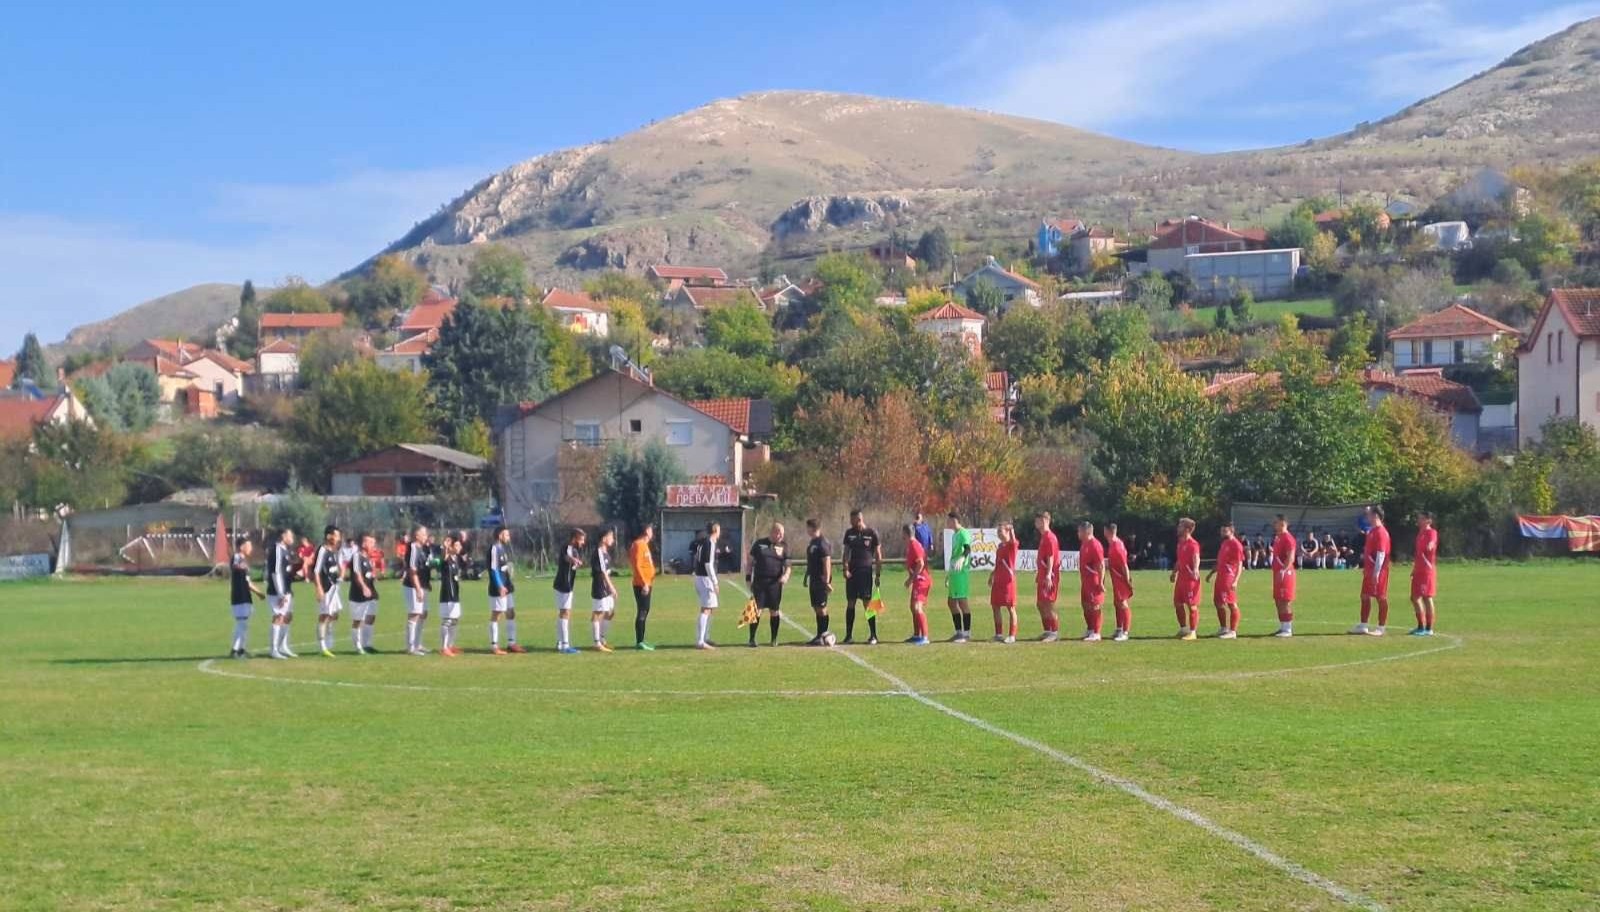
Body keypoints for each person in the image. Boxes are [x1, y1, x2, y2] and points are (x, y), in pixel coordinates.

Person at [840, 511, 883, 645]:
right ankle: (848, 636)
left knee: (868, 603)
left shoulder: (872, 533)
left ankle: (874, 635)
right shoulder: (849, 533)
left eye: (852, 520)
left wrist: (877, 574)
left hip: (866, 573)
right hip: (852, 574)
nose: (850, 522)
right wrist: (845, 569)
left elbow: (878, 555)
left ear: (859, 519)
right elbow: (846, 553)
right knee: (851, 603)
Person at [746, 522, 791, 647]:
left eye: (782, 534)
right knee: (756, 610)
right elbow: (750, 562)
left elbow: (788, 565)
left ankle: (774, 639)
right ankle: (752, 638)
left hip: (775, 584)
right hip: (760, 582)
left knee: (774, 611)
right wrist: (748, 578)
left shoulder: (784, 546)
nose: (781, 536)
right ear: (773, 532)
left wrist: (786, 575)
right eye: (779, 533)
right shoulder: (759, 544)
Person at [1352, 505, 1391, 636]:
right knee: (1364, 596)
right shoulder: (1372, 531)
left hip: (1379, 571)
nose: (1366, 517)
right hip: (1369, 571)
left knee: (1381, 597)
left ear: (1375, 516)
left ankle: (1381, 627)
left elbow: (1381, 554)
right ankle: (1363, 625)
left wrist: (1376, 573)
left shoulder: (1381, 532)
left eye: (1368, 514)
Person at [487, 526, 525, 655]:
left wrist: (508, 583)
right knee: (497, 614)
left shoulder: (502, 548)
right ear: (499, 535)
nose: (509, 537)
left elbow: (503, 568)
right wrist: (499, 585)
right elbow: (493, 569)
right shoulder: (494, 548)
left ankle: (511, 643)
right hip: (498, 588)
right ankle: (494, 646)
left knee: (511, 613)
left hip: (507, 587)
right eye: (506, 535)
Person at [227, 538, 265, 658]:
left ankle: (241, 649)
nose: (251, 548)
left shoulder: (244, 561)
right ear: (242, 546)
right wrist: (240, 566)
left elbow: (247, 582)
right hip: (239, 596)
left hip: (245, 596)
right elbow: (235, 565)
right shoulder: (238, 557)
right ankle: (235, 650)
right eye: (249, 545)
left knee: (244, 624)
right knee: (241, 623)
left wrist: (258, 593)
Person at [1206, 522, 1244, 639]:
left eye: (1225, 531)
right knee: (1218, 602)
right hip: (1220, 577)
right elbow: (1220, 562)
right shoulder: (1224, 543)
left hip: (1229, 578)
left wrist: (1236, 581)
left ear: (1231, 531)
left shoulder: (1236, 545)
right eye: (1221, 530)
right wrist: (1211, 573)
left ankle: (1233, 631)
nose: (1222, 533)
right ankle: (1224, 628)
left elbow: (1239, 564)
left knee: (1231, 603)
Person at [265, 528, 297, 659]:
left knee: (287, 617)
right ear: (283, 536)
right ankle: (273, 649)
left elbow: (286, 571)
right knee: (278, 617)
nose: (292, 538)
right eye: (290, 535)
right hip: (277, 591)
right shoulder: (277, 550)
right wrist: (281, 593)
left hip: (287, 590)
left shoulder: (286, 551)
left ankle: (283, 646)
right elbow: (276, 572)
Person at [312, 525, 344, 658]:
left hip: (334, 587)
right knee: (324, 615)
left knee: (334, 614)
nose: (338, 538)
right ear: (329, 536)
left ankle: (328, 640)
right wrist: (318, 588)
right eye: (336, 535)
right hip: (326, 589)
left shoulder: (333, 551)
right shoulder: (322, 550)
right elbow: (316, 570)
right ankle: (323, 646)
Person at [402, 525, 433, 656]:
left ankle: (417, 643)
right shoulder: (413, 548)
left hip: (423, 585)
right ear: (417, 535)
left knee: (423, 613)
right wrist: (418, 588)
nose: (426, 536)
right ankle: (410, 647)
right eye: (424, 534)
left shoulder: (424, 549)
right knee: (414, 614)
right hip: (413, 586)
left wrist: (427, 583)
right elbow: (412, 570)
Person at [552, 529, 585, 655]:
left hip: (566, 586)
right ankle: (565, 645)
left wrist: (577, 562)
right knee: (565, 613)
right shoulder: (567, 547)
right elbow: (566, 556)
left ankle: (560, 642)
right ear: (575, 538)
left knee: (564, 613)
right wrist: (574, 560)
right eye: (581, 539)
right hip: (563, 586)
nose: (583, 542)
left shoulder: (575, 550)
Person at [802, 519, 834, 646]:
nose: (807, 530)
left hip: (820, 581)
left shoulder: (822, 543)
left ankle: (824, 634)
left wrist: (826, 581)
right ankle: (819, 635)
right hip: (813, 580)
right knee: (816, 607)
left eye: (807, 528)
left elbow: (826, 562)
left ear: (812, 528)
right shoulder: (812, 542)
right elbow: (811, 562)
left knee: (822, 608)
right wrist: (806, 576)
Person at [348, 532, 380, 654]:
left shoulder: (368, 558)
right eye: (371, 542)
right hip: (358, 595)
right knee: (358, 620)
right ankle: (358, 646)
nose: (373, 545)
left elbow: (368, 575)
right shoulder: (357, 556)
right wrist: (364, 587)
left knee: (371, 617)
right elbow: (357, 574)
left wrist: (373, 580)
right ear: (363, 543)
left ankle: (367, 644)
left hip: (371, 594)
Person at [1171, 518, 1201, 640]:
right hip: (1181, 579)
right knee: (1177, 603)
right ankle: (1184, 628)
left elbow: (1196, 557)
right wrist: (1174, 573)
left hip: (1190, 580)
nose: (1178, 528)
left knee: (1191, 605)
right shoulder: (1180, 543)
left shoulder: (1193, 544)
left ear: (1187, 529)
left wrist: (1195, 570)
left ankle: (1193, 632)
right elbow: (1179, 560)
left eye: (1181, 526)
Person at [945, 512, 974, 642]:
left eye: (949, 520)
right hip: (954, 573)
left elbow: (967, 549)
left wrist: (962, 558)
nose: (947, 523)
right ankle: (958, 632)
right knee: (951, 602)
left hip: (961, 573)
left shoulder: (963, 533)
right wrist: (949, 574)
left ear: (955, 520)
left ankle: (966, 634)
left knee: (962, 602)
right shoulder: (955, 535)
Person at [1034, 513, 1062, 641]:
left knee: (1048, 604)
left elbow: (1051, 557)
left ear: (1045, 521)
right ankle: (1047, 630)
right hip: (1043, 575)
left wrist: (1048, 575)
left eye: (1038, 520)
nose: (1036, 523)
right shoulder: (1043, 537)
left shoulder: (1050, 537)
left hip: (1049, 576)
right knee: (1040, 604)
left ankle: (1054, 632)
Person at [901, 523, 931, 645]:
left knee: (918, 607)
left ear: (906, 534)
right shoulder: (910, 545)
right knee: (913, 607)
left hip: (922, 580)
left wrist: (911, 579)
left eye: (902, 534)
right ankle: (916, 634)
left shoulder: (914, 545)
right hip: (917, 580)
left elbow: (921, 564)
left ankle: (925, 637)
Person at [1410, 511, 1439, 636]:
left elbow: (1432, 542)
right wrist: (1414, 569)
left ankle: (1428, 628)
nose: (1418, 520)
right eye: (1419, 518)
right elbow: (1418, 554)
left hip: (1427, 570)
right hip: (1418, 570)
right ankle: (1420, 626)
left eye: (1421, 518)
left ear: (1428, 521)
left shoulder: (1431, 532)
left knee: (1427, 597)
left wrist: (1431, 545)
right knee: (1414, 597)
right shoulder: (1420, 534)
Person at [590, 528, 619, 653]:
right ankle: (597, 642)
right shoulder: (599, 553)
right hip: (600, 587)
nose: (613, 539)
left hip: (606, 588)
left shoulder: (606, 552)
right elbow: (602, 573)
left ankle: (602, 639)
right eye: (611, 536)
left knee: (610, 613)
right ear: (604, 538)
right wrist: (612, 587)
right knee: (598, 613)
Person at [989, 522, 1019, 643]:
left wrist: (1011, 530)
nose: (999, 534)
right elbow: (998, 563)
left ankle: (1012, 635)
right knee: (995, 606)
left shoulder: (1012, 545)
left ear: (1007, 532)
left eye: (1001, 531)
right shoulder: (1000, 546)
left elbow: (1013, 540)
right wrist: (992, 575)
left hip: (1008, 581)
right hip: (998, 580)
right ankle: (998, 634)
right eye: (998, 531)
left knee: (1010, 607)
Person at [1076, 521, 1106, 642]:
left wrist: (1100, 582)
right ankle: (1090, 628)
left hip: (1094, 580)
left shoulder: (1095, 545)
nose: (1078, 533)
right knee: (1085, 605)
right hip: (1085, 580)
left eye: (1080, 531)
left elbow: (1101, 565)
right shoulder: (1084, 544)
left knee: (1095, 605)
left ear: (1086, 531)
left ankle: (1097, 632)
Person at [628, 525, 657, 651]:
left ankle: (642, 641)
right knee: (642, 611)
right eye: (651, 530)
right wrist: (644, 582)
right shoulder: (638, 544)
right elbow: (637, 565)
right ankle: (639, 641)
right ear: (646, 531)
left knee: (645, 610)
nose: (652, 532)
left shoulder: (644, 545)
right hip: (641, 584)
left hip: (647, 583)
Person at [693, 522, 720, 650]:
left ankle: (705, 637)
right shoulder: (709, 543)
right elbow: (708, 564)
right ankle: (700, 641)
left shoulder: (704, 542)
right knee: (706, 609)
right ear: (715, 530)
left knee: (709, 608)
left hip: (700, 578)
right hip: (705, 579)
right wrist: (715, 582)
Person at [1105, 522, 1134, 642]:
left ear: (1107, 531)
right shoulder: (1113, 545)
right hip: (1116, 579)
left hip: (1121, 580)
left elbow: (1124, 565)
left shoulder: (1117, 546)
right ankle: (1119, 629)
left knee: (1122, 603)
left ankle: (1125, 632)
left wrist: (1127, 582)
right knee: (1117, 603)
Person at [438, 535, 465, 657]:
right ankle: (444, 647)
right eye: (457, 545)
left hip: (455, 594)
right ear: (451, 546)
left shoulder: (456, 559)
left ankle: (450, 645)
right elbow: (443, 556)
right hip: (447, 594)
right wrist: (445, 547)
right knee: (447, 620)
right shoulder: (446, 558)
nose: (460, 547)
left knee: (454, 620)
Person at [1270, 515, 1297, 638]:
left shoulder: (1288, 538)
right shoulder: (1278, 538)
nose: (1274, 524)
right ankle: (1282, 626)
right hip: (1277, 573)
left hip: (1285, 574)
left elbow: (1290, 557)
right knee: (1278, 600)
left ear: (1283, 523)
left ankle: (1288, 629)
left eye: (1276, 522)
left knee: (1285, 601)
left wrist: (1283, 571)